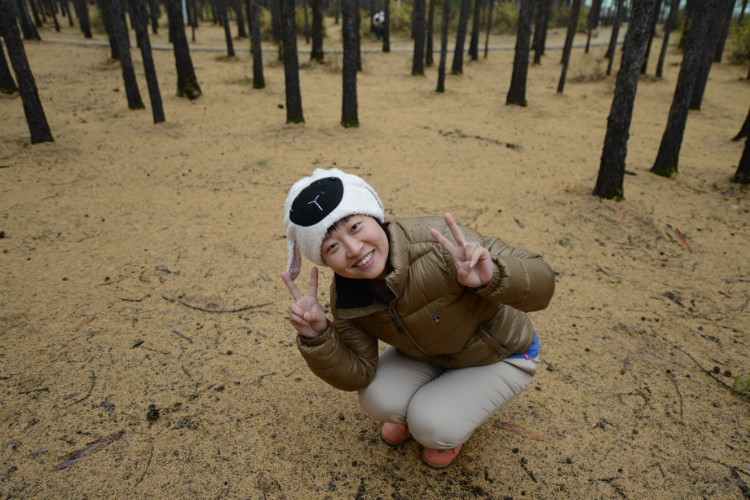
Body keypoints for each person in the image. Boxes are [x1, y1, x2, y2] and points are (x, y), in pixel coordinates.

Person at [281, 168, 555, 469]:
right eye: (332, 246)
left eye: (356, 226)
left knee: (432, 426)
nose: (354, 249)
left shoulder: (441, 243)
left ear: (374, 215)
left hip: (500, 354)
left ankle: (445, 424)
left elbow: (543, 283)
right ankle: (435, 405)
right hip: (430, 354)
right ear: (322, 259)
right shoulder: (347, 297)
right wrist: (318, 335)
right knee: (376, 399)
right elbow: (357, 373)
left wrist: (493, 276)